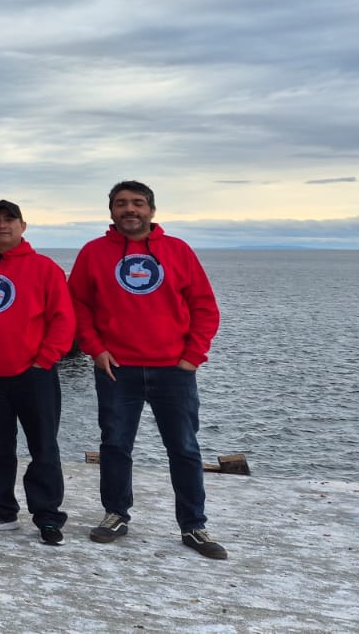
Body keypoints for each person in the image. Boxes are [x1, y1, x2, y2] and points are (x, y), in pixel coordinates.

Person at [69, 181, 226, 559]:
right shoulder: (93, 253)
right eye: (121, 203)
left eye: (138, 203)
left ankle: (193, 525)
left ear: (151, 210)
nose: (130, 209)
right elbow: (78, 305)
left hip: (174, 369)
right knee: (115, 445)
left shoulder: (178, 251)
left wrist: (193, 356)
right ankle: (116, 514)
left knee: (184, 448)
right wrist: (96, 349)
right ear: (111, 211)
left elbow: (204, 306)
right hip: (117, 369)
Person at [0, 199, 74, 545]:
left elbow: (63, 319)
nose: (2, 226)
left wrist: (45, 359)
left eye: (9, 220)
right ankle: (1, 510)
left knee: (43, 446)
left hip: (34, 374)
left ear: (22, 226)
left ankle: (48, 516)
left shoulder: (45, 268)